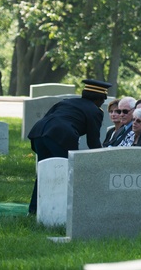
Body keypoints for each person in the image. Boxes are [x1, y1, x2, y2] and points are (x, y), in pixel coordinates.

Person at [27, 78, 110, 213]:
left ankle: (34, 210)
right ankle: (67, 210)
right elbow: (93, 141)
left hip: (39, 133)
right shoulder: (95, 111)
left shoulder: (66, 102)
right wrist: (101, 159)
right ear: (99, 99)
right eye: (103, 100)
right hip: (61, 137)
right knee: (68, 173)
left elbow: (49, 117)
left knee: (44, 173)